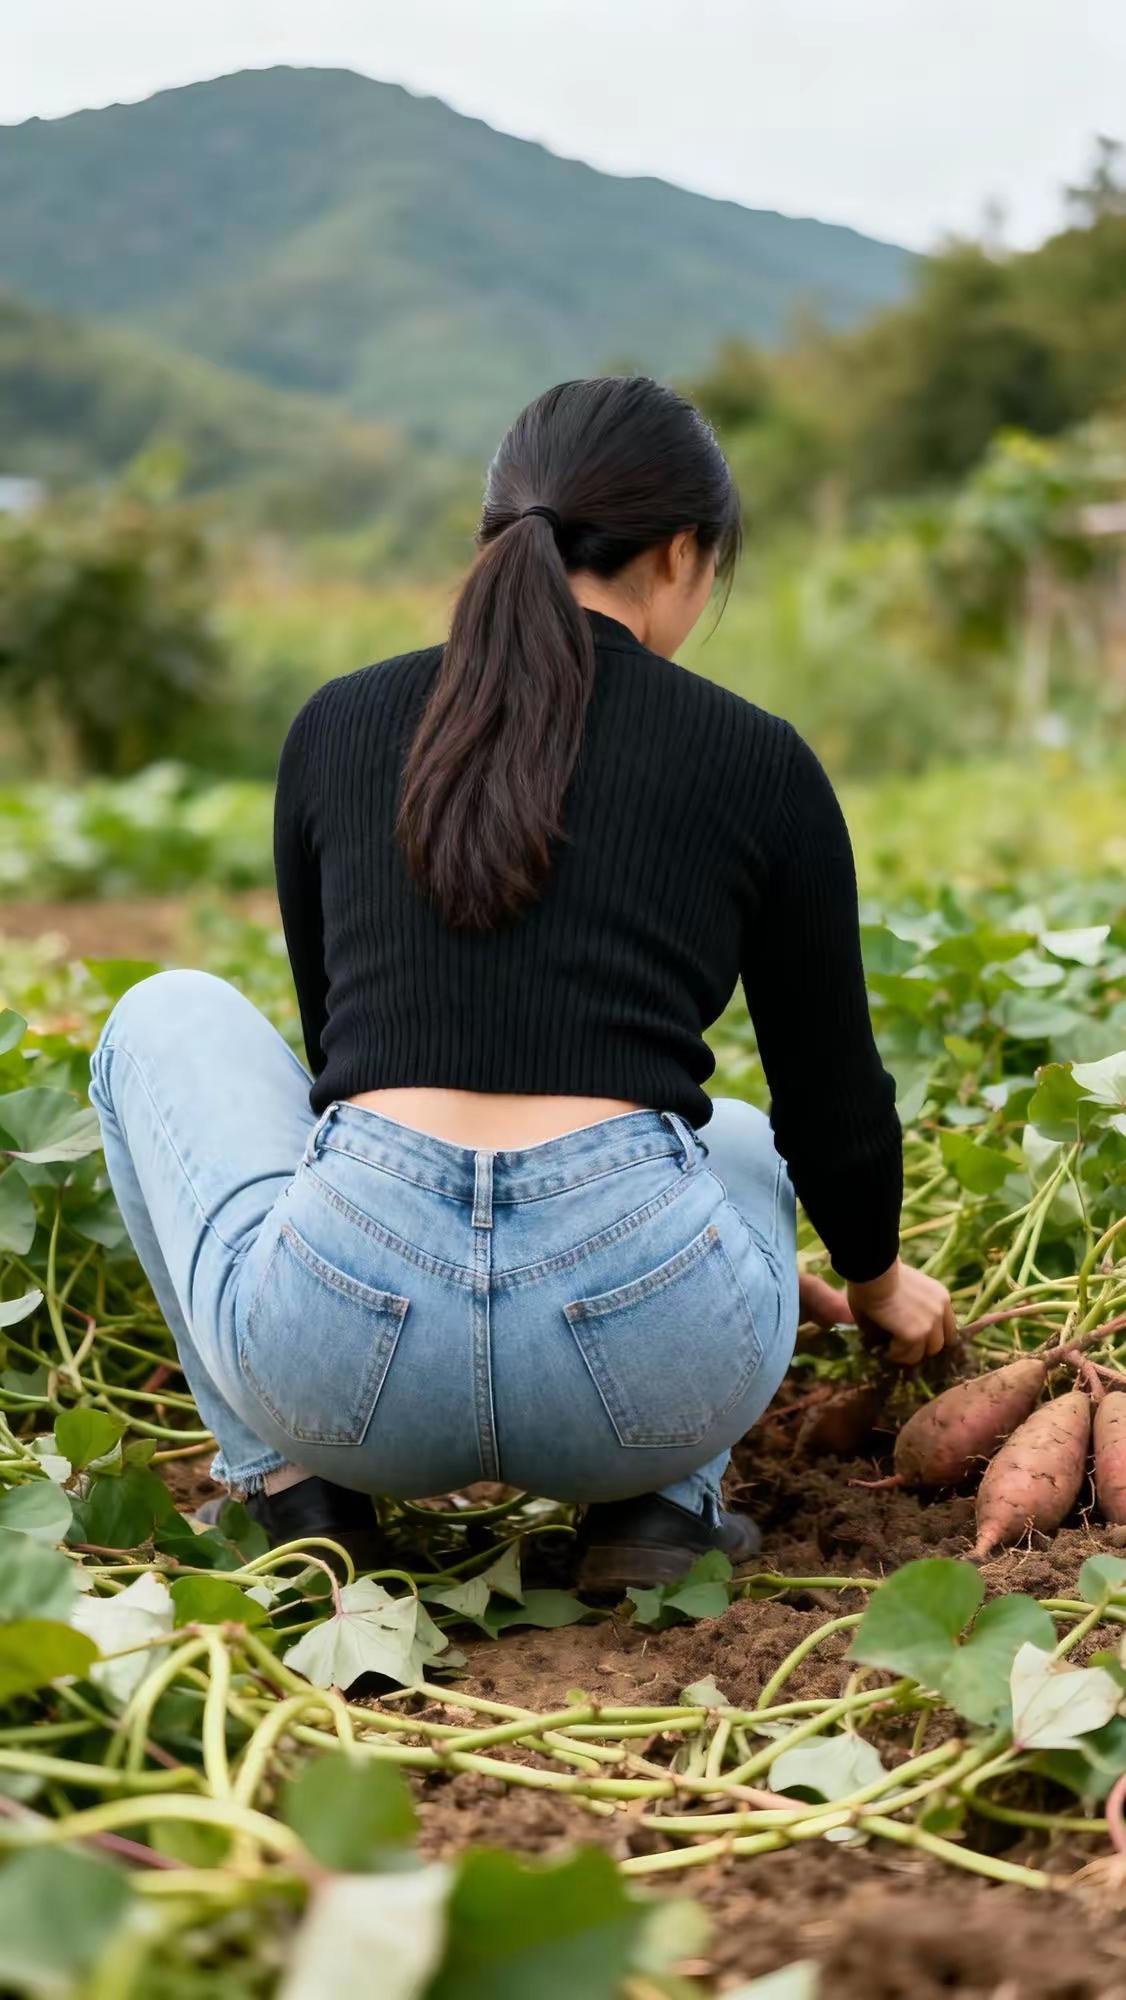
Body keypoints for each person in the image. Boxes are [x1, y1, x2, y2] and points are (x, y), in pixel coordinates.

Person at [89, 375, 955, 1591]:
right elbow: (835, 1103)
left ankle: (300, 1492)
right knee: (749, 1136)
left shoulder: (337, 724)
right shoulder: (757, 757)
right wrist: (874, 1281)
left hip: (342, 1368)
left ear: (500, 537)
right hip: (643, 1378)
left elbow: (338, 1052)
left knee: (160, 1012)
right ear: (681, 554)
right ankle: (658, 1512)